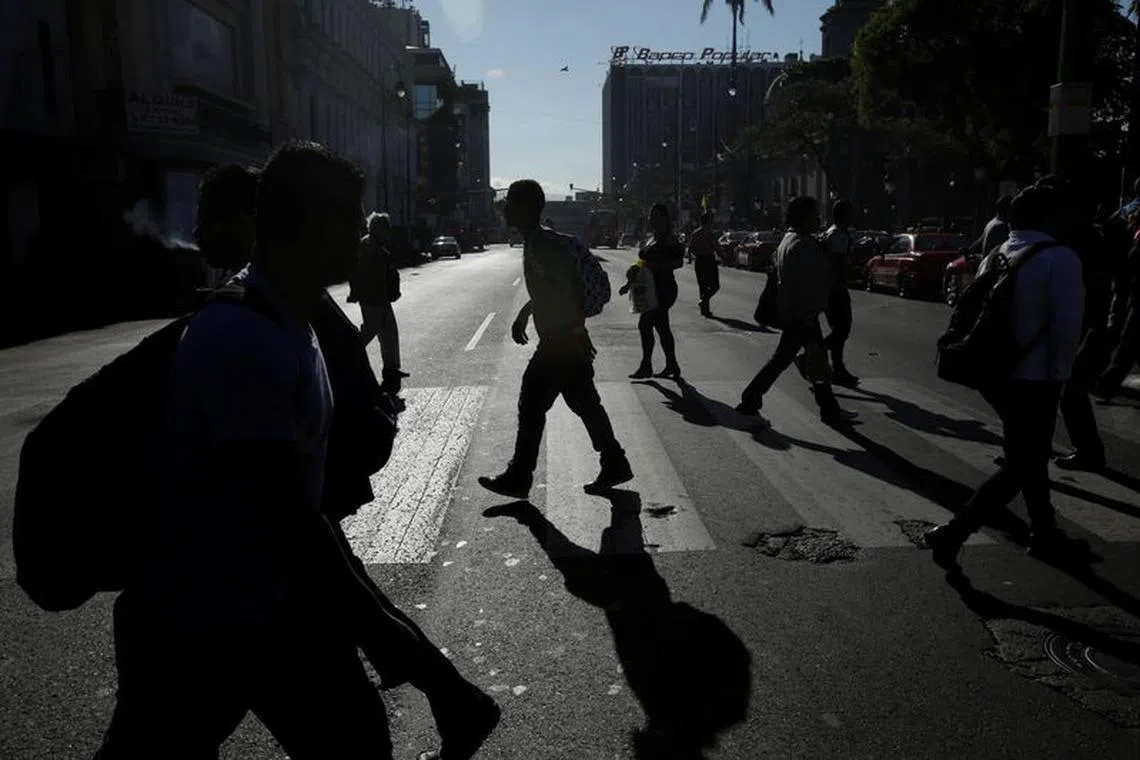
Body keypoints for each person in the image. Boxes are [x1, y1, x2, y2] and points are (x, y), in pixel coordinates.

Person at [168, 161, 500, 760]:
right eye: (348, 221)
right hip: (210, 614)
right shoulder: (245, 337)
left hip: (260, 604)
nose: (363, 237)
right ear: (303, 228)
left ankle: (457, 701)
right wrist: (386, 634)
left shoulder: (294, 319)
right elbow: (284, 521)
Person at [925, 185, 1088, 571]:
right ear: (1050, 216)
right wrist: (1061, 375)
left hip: (996, 374)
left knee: (1029, 455)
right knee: (1023, 461)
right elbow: (1068, 325)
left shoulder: (998, 254)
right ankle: (955, 531)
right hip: (1036, 377)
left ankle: (1045, 531)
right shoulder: (1060, 258)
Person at [479, 179, 632, 499]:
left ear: (523, 208)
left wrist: (576, 331)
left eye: (509, 205)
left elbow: (568, 290)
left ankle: (520, 477)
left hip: (560, 342)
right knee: (583, 402)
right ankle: (614, 461)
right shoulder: (538, 242)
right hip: (564, 340)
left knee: (533, 402)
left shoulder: (543, 244)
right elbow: (553, 288)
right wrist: (526, 311)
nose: (504, 210)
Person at [736, 196, 848, 425]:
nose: (819, 219)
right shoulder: (802, 246)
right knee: (793, 359)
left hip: (797, 311)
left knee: (804, 359)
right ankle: (752, 397)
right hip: (802, 313)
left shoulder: (791, 240)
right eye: (815, 215)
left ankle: (828, 407)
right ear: (804, 218)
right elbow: (814, 280)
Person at [354, 211, 409, 396]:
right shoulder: (369, 245)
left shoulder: (377, 245)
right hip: (372, 299)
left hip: (381, 298)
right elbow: (362, 273)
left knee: (390, 334)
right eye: (386, 227)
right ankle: (348, 353)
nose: (389, 231)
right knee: (370, 331)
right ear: (378, 228)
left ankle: (391, 369)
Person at [629, 203, 684, 379]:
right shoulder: (651, 238)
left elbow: (678, 262)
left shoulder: (669, 239)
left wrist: (657, 267)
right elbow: (642, 262)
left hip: (664, 289)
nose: (652, 219)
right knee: (662, 327)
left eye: (656, 216)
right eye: (651, 216)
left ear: (665, 218)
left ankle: (647, 365)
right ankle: (672, 365)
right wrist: (630, 279)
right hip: (649, 289)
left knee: (645, 323)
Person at [821, 199, 859, 387]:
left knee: (839, 329)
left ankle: (838, 368)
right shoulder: (837, 235)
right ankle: (820, 353)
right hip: (834, 288)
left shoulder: (835, 233)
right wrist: (850, 270)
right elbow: (837, 261)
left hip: (831, 287)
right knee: (842, 328)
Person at [688, 210, 720, 317]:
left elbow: (691, 248)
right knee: (715, 285)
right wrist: (723, 257)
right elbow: (717, 247)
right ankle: (704, 302)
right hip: (709, 260)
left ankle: (704, 309)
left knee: (703, 286)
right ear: (709, 221)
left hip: (699, 260)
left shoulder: (695, 233)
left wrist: (696, 254)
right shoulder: (711, 233)